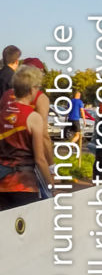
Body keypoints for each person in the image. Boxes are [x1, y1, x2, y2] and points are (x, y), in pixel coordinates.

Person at [0, 65, 51, 210]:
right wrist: (50, 186)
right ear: (31, 89)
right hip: (24, 185)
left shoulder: (2, 113)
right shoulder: (33, 117)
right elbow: (40, 159)